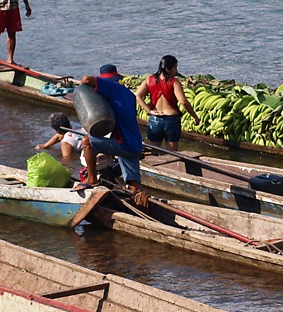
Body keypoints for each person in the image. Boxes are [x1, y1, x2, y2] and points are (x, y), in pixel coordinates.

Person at [76, 64, 149, 208]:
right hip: (135, 143)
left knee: (87, 142)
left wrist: (82, 87)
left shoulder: (112, 88)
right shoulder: (127, 93)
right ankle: (137, 199)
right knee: (134, 185)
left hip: (124, 144)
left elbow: (86, 79)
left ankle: (91, 179)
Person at [134, 55, 200, 151]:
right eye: (175, 68)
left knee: (154, 151)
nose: (176, 71)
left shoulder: (149, 80)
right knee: (172, 153)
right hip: (171, 120)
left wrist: (149, 111)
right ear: (168, 69)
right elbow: (183, 102)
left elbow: (138, 95)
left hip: (155, 119)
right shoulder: (174, 82)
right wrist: (194, 116)